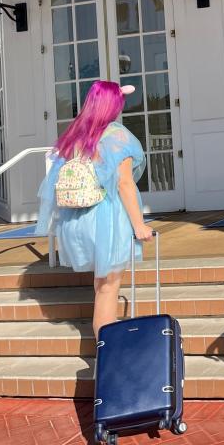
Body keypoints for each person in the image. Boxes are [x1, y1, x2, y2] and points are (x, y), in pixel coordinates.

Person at [34, 80, 154, 336]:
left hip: (77, 219)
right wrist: (139, 225)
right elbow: (124, 184)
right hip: (107, 219)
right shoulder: (117, 136)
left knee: (101, 287)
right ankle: (106, 359)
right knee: (109, 290)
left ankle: (105, 350)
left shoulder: (75, 135)